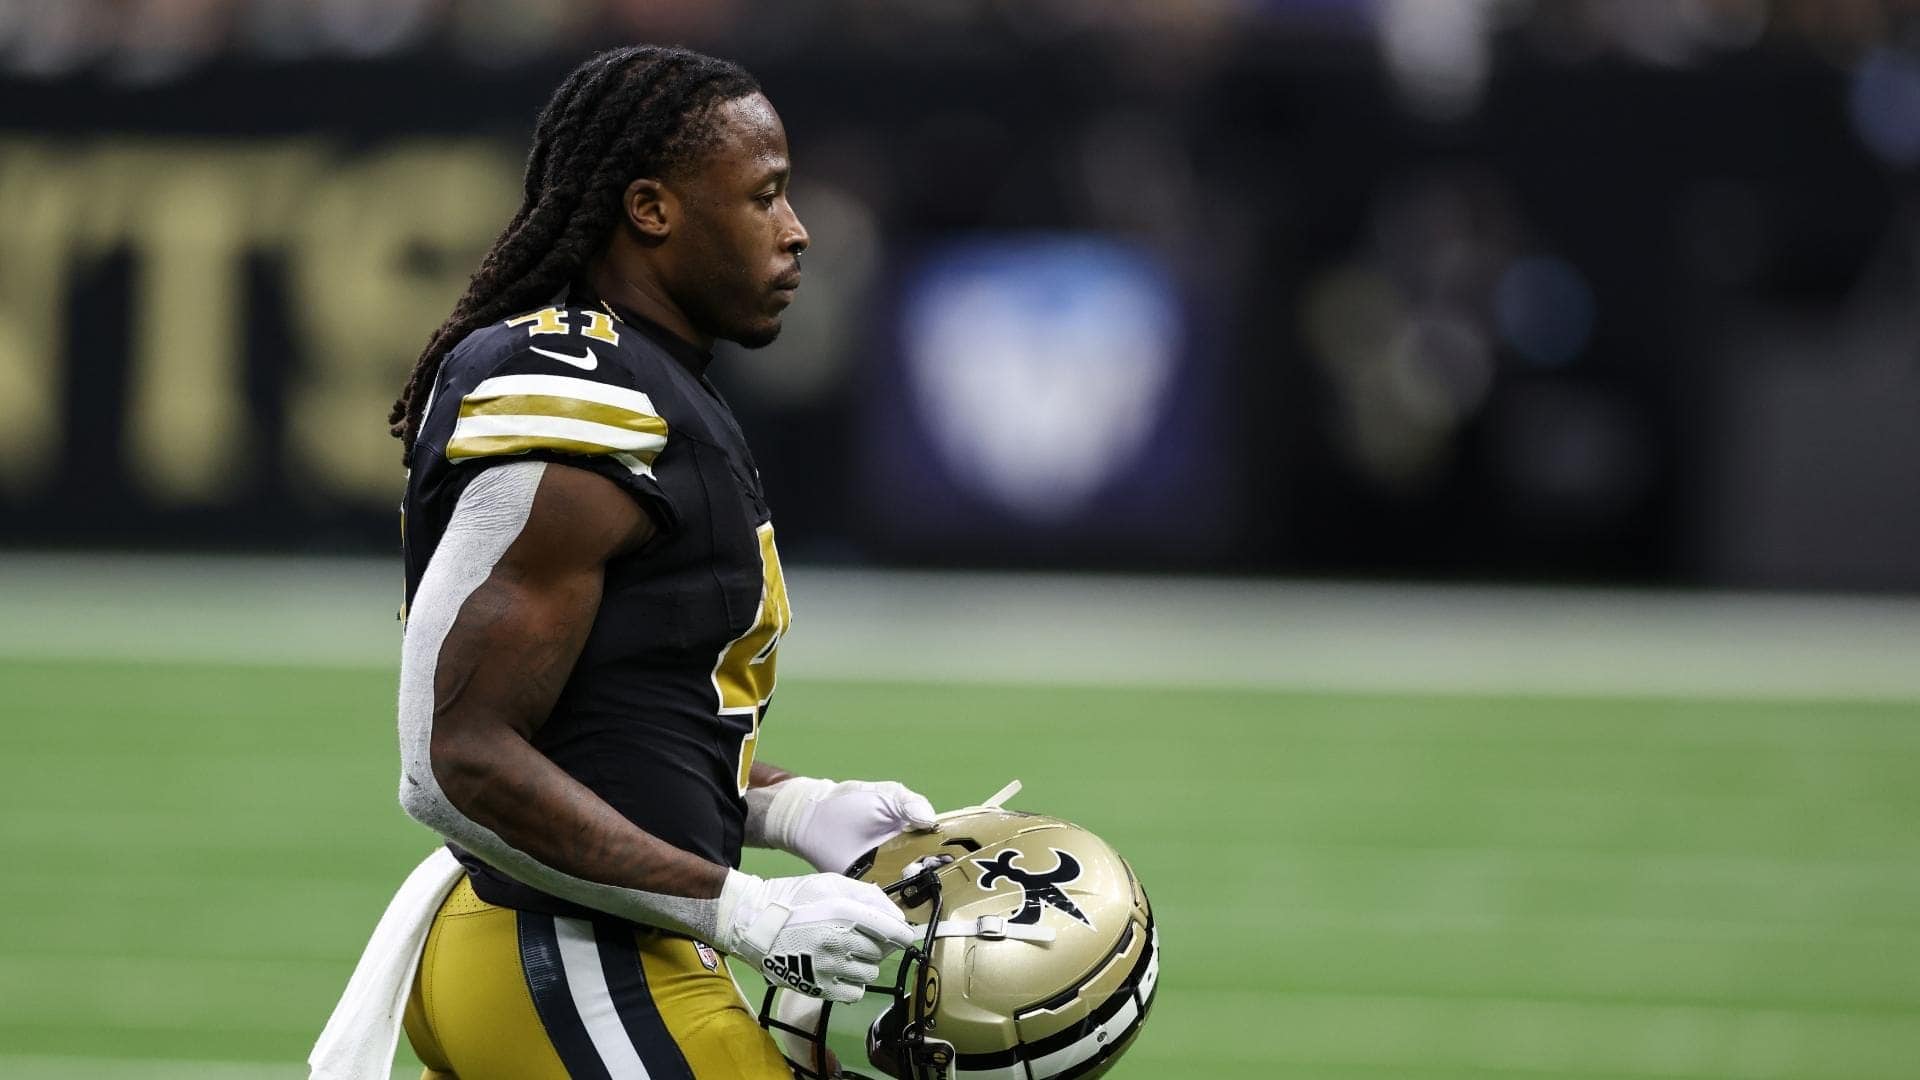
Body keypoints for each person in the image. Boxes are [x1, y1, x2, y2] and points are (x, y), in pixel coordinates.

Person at [386, 45, 937, 1079]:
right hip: (566, 954)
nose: (796, 228)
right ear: (651, 209)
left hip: (577, 943)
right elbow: (451, 761)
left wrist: (785, 804)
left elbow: (612, 724)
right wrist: (746, 906)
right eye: (765, 195)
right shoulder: (582, 398)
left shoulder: (650, 382)